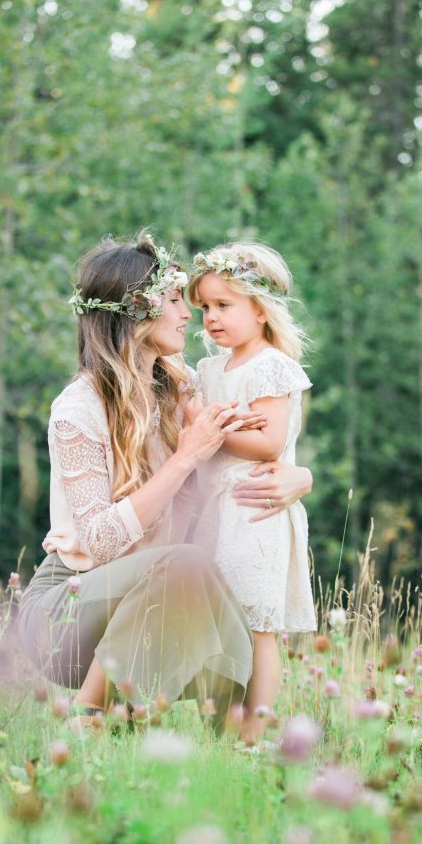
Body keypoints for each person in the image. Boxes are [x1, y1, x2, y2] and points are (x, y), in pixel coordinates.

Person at [18, 231, 313, 731]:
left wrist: (297, 475)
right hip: (66, 612)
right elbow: (100, 541)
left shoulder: (181, 391)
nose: (189, 315)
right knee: (187, 565)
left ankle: (236, 754)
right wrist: (184, 458)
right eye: (176, 300)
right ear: (137, 312)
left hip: (156, 597)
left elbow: (254, 445)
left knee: (234, 603)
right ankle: (88, 717)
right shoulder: (79, 408)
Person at [186, 242, 317, 743]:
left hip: (255, 508)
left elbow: (268, 443)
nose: (211, 318)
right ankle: (219, 726)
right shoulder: (210, 370)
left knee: (257, 624)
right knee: (216, 625)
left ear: (261, 311)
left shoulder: (271, 366)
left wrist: (205, 426)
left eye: (224, 305)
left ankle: (253, 734)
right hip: (214, 510)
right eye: (204, 308)